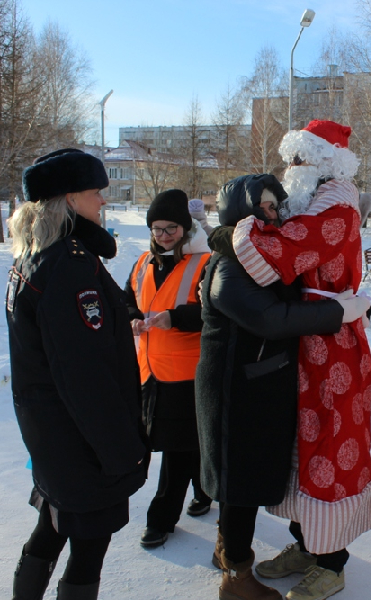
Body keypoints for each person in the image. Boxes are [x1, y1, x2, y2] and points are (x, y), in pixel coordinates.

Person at [196, 172, 369, 600]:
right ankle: (235, 575)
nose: (275, 215)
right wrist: (338, 313)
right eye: (266, 207)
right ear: (243, 212)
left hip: (260, 389)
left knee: (256, 478)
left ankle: (308, 553)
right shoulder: (229, 267)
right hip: (234, 394)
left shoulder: (262, 257)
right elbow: (272, 318)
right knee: (238, 486)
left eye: (276, 205)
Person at [6, 149, 148, 600]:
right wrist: (123, 451)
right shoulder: (67, 267)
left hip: (55, 439)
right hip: (82, 444)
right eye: (95, 193)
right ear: (69, 199)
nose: (102, 202)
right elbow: (85, 377)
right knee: (88, 545)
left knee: (52, 526)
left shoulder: (36, 256)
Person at [124, 189, 213, 549]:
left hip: (186, 374)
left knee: (176, 452)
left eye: (171, 227)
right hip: (149, 373)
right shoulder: (143, 261)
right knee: (185, 444)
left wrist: (174, 318)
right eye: (157, 228)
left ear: (186, 227)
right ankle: (206, 491)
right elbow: (126, 299)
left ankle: (160, 521)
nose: (163, 235)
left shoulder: (205, 262)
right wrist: (131, 318)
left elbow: (215, 314)